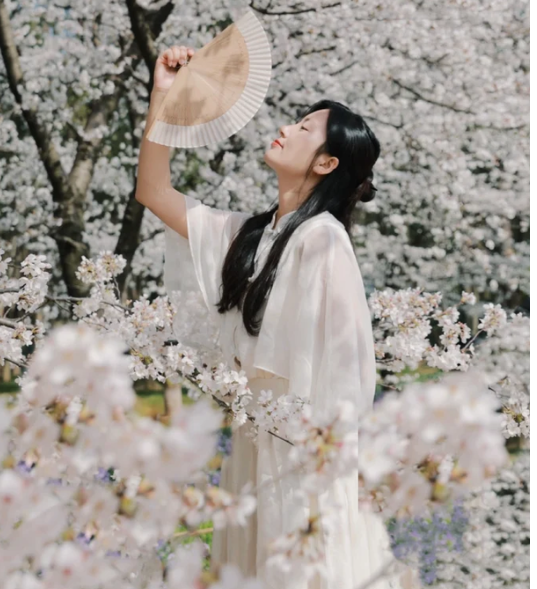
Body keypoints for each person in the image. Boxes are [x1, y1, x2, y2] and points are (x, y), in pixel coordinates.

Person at [137, 44, 401, 587]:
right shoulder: (252, 235)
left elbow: (351, 367)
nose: (286, 127)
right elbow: (153, 190)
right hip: (255, 444)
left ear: (326, 162)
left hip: (299, 453)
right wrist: (163, 99)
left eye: (304, 128)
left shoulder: (323, 238)